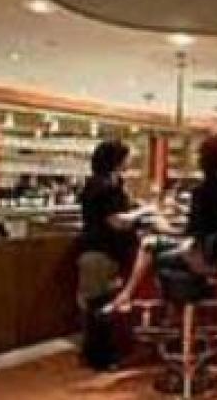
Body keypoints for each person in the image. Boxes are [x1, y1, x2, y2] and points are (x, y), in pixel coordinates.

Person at [109, 134, 217, 312]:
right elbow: (210, 226)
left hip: (197, 259)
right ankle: (137, 299)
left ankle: (127, 295)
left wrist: (162, 226)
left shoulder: (202, 192)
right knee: (159, 245)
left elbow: (190, 232)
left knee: (149, 244)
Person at [77, 139, 155, 370]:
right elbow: (117, 221)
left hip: (102, 252)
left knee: (100, 304)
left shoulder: (109, 184)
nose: (130, 161)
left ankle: (100, 356)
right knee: (99, 306)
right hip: (99, 253)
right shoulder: (103, 187)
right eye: (127, 157)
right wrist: (144, 211)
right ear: (117, 160)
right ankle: (100, 359)